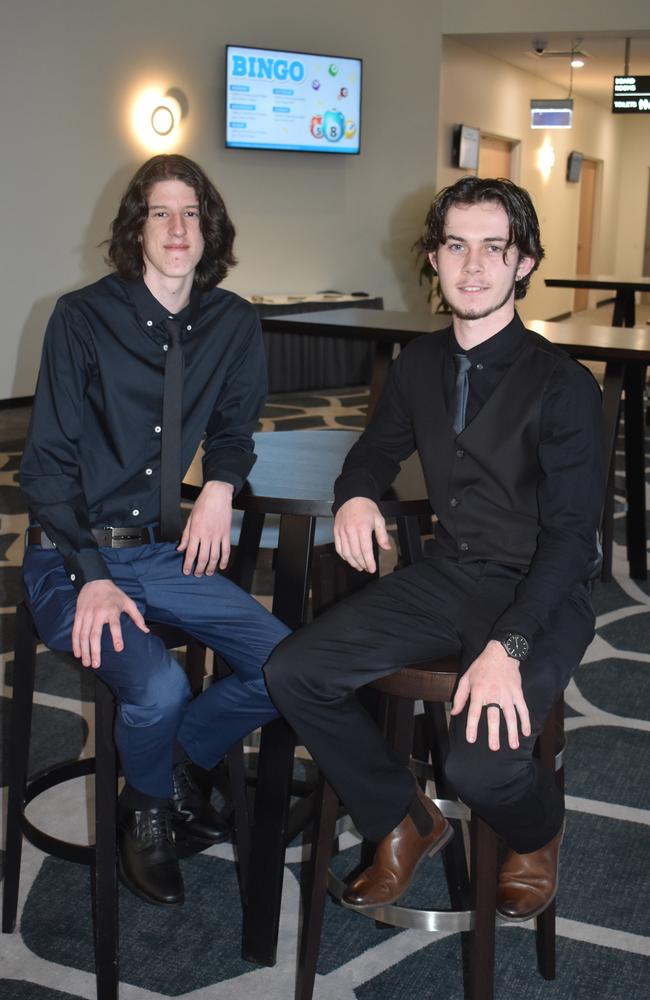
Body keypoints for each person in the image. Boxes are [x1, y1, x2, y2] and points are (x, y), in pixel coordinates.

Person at [264, 176, 604, 919]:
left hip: (542, 591)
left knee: (477, 767)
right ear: (434, 256)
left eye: (494, 248)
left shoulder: (563, 385)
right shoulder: (418, 364)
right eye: (457, 246)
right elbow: (373, 452)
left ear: (523, 262)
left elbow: (575, 539)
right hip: (449, 574)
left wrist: (508, 645)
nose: (473, 267)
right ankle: (406, 817)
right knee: (294, 671)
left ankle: (538, 830)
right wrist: (357, 493)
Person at [20, 154, 290, 907]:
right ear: (136, 227)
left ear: (212, 229)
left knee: (290, 665)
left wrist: (220, 488)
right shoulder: (81, 318)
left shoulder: (232, 321)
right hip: (67, 557)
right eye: (160, 213)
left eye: (192, 213)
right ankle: (146, 812)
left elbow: (236, 429)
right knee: (160, 684)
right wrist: (93, 576)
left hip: (165, 554)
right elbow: (44, 471)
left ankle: (166, 763)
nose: (178, 228)